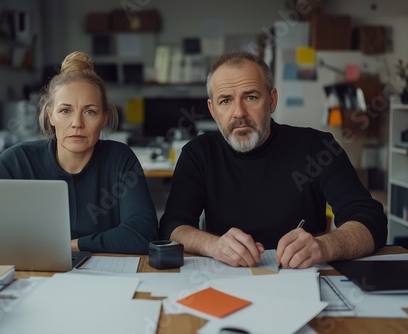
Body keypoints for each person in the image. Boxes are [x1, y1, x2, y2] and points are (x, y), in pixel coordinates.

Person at [159, 50, 387, 268]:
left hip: (301, 282)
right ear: (213, 110)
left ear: (272, 100)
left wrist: (325, 246)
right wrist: (213, 245)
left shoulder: (318, 148)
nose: (239, 112)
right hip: (225, 281)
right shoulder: (198, 153)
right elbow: (172, 225)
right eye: (225, 101)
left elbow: (370, 220)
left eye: (250, 97)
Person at [0, 51, 158, 254]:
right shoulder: (15, 162)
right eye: (65, 111)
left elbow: (142, 235)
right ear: (51, 116)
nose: (77, 123)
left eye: (90, 111)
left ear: (104, 118)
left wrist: (70, 246)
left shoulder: (120, 159)